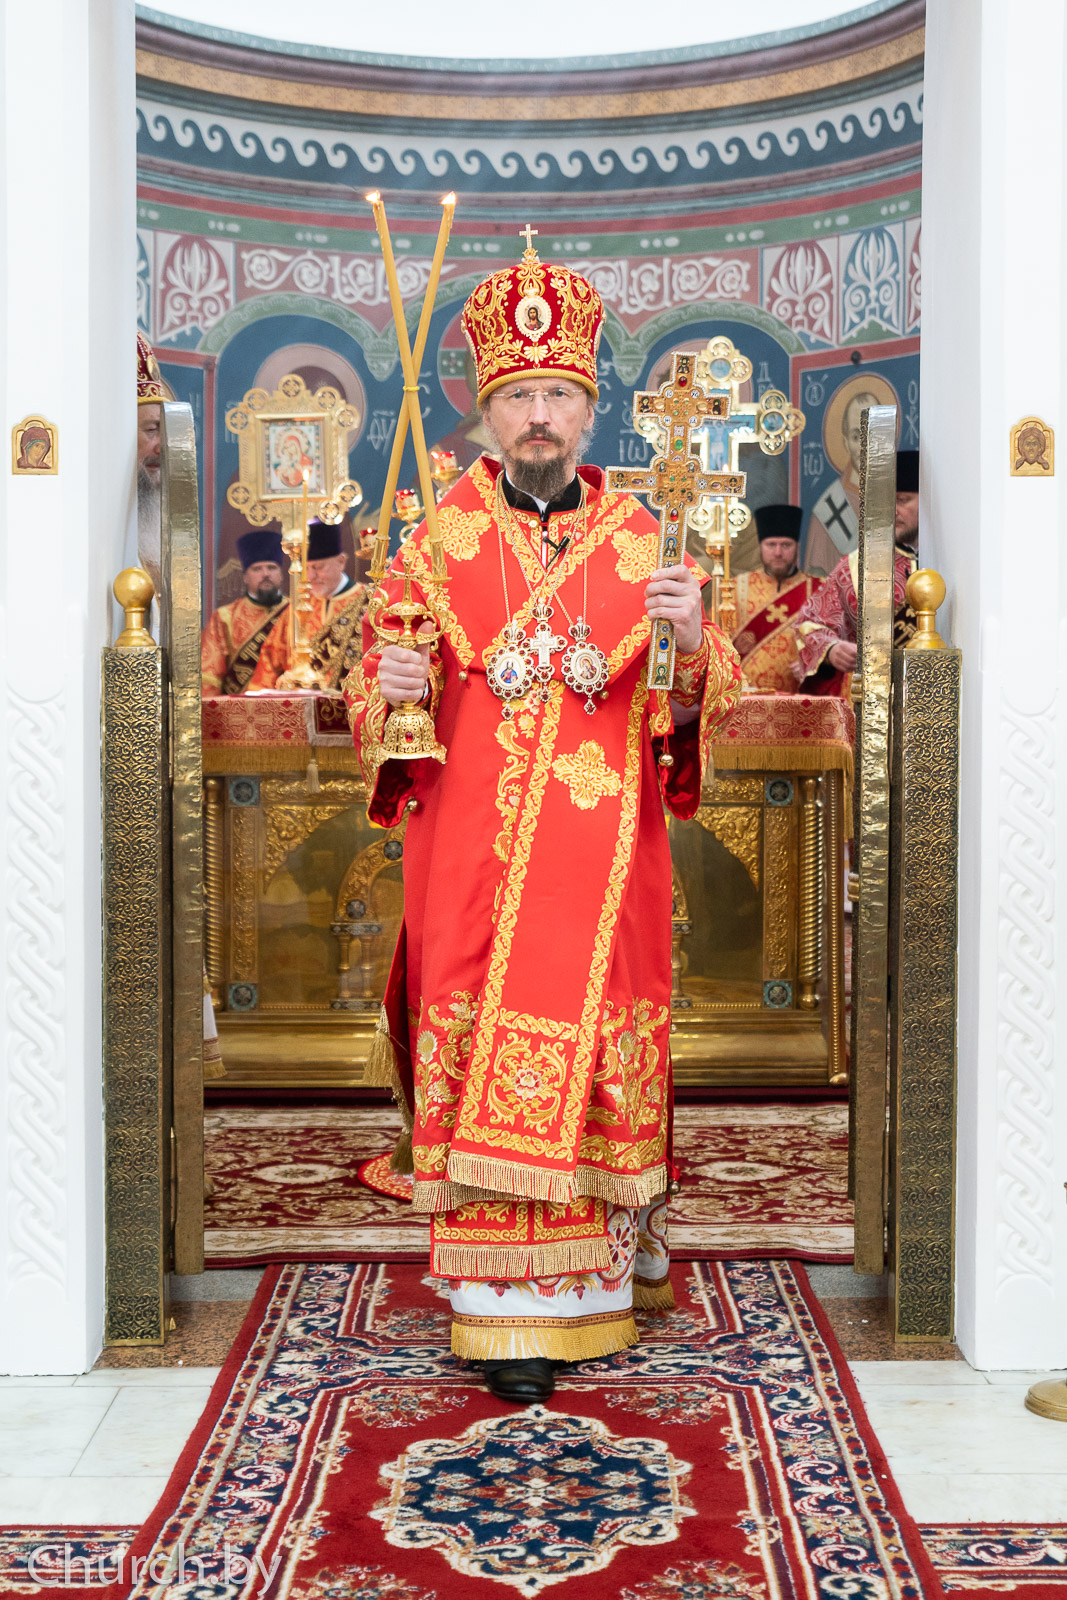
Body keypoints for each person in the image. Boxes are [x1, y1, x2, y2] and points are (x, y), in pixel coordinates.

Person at [345, 235, 741, 1404]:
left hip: (604, 857)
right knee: (483, 1040)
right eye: (517, 396)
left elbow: (690, 703)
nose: (537, 417)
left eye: (557, 395)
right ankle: (500, 1315)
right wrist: (393, 691)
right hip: (471, 854)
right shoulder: (433, 541)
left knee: (601, 1035)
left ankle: (597, 1285)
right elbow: (378, 690)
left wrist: (685, 640)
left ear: (587, 407)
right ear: (484, 408)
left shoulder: (646, 542)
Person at [792, 449, 920, 694]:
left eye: (903, 500)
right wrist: (832, 649)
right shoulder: (856, 567)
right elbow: (810, 623)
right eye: (887, 501)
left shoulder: (956, 562)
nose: (893, 510)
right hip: (874, 699)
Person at [248, 518, 366, 690]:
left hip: (354, 702)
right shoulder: (298, 607)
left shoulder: (369, 601)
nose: (311, 576)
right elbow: (269, 661)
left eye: (318, 567)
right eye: (307, 568)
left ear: (341, 561)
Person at [731, 505, 818, 692]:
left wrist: (816, 666)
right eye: (771, 545)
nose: (778, 552)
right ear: (760, 547)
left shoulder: (819, 590)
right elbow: (719, 644)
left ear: (797, 547)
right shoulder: (735, 589)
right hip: (745, 699)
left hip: (800, 699)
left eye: (786, 545)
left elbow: (835, 644)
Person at [200, 530, 289, 696]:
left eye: (272, 567)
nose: (265, 574)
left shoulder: (295, 613)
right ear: (245, 577)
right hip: (236, 707)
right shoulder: (224, 617)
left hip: (287, 704)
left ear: (281, 574)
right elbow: (209, 677)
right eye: (257, 569)